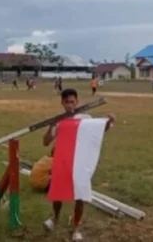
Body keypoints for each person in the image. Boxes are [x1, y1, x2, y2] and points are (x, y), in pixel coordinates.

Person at [42, 88, 116, 241]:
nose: (70, 105)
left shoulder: (85, 117)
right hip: (62, 162)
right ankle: (55, 218)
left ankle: (76, 227)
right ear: (62, 102)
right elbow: (46, 142)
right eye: (67, 102)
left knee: (80, 195)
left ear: (77, 102)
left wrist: (109, 122)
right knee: (58, 193)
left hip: (79, 162)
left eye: (72, 102)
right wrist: (51, 126)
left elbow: (100, 130)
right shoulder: (59, 120)